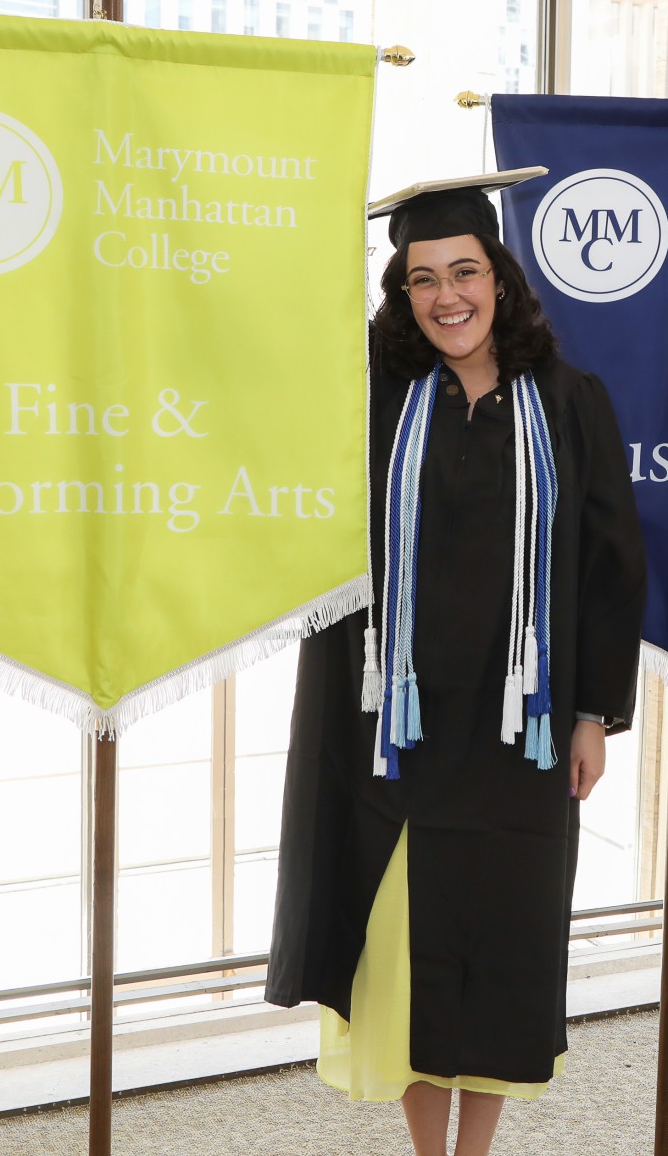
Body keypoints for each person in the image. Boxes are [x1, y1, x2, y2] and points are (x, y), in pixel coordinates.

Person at [267, 168, 646, 1156]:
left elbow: (612, 563)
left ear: (502, 278)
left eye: (464, 271)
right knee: (402, 951)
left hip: (520, 723)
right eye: (420, 278)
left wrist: (592, 713)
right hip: (392, 727)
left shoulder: (568, 399)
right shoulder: (371, 396)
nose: (446, 296)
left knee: (506, 944)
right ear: (398, 293)